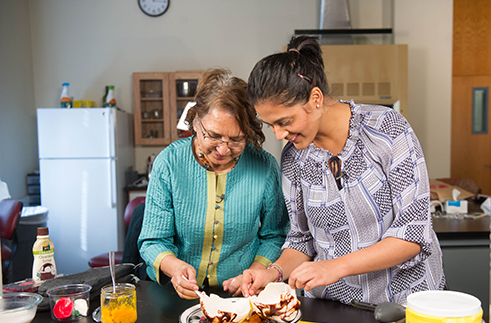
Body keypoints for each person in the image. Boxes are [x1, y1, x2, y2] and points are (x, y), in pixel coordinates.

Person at [239, 36, 445, 305]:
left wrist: (332, 267)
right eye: (271, 125)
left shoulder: (386, 130)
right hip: (334, 308)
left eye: (285, 121)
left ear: (315, 98)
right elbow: (301, 241)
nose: (279, 135)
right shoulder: (294, 158)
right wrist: (272, 272)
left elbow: (413, 234)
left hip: (404, 305)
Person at [138, 68, 289, 299]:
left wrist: (254, 274)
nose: (223, 149)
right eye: (214, 136)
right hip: (172, 294)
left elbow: (274, 235)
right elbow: (153, 240)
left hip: (241, 294)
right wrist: (175, 268)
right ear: (196, 121)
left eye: (237, 140)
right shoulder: (169, 163)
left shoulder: (264, 166)